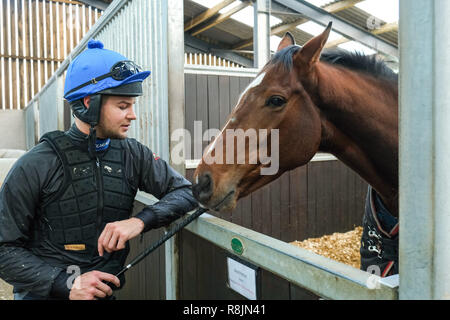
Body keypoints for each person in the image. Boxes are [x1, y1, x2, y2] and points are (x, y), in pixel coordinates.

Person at [0, 40, 198, 300]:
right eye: (122, 106)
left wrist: (140, 221)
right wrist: (67, 283)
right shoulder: (37, 162)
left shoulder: (133, 154)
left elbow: (186, 192)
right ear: (88, 103)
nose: (133, 115)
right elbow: (4, 249)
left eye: (132, 105)